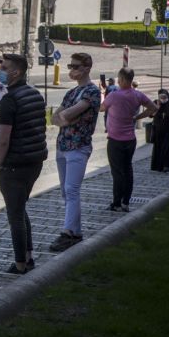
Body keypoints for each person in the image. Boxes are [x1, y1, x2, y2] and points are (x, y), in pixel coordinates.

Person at [0, 53, 47, 274]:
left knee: (14, 215)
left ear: (16, 72)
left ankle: (20, 264)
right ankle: (29, 255)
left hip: (15, 164)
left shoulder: (9, 100)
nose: (0, 71)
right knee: (20, 208)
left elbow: (3, 137)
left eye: (4, 68)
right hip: (35, 161)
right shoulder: (35, 94)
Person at [48, 52, 102, 252]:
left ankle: (68, 232)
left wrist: (66, 117)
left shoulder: (92, 92)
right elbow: (55, 118)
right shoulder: (71, 93)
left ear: (87, 68)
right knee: (65, 190)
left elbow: (67, 114)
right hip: (63, 145)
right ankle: (76, 232)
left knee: (72, 190)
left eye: (76, 66)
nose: (71, 70)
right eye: (70, 66)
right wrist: (66, 118)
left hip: (78, 147)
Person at [99, 67, 157, 212]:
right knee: (128, 170)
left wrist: (101, 93)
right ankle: (126, 202)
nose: (118, 82)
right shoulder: (138, 95)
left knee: (117, 172)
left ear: (123, 80)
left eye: (119, 79)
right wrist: (137, 117)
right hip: (130, 139)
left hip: (115, 140)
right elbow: (153, 108)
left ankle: (116, 203)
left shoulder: (114, 96)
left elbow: (100, 108)